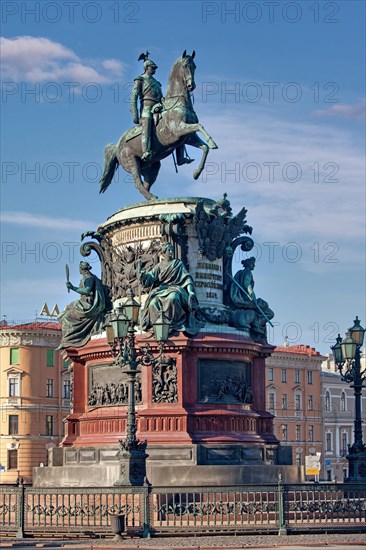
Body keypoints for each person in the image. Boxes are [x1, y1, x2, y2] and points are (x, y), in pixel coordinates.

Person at [130, 52, 193, 164]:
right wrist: (135, 114)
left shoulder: (157, 83)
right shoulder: (140, 79)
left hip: (158, 107)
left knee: (177, 123)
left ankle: (181, 157)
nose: (154, 70)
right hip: (146, 108)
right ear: (146, 68)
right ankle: (146, 151)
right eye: (152, 68)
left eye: (155, 68)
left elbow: (160, 97)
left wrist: (162, 103)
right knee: (147, 123)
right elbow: (134, 96)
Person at [140, 242, 203, 336]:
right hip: (161, 290)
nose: (171, 252)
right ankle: (157, 327)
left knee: (173, 298)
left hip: (176, 288)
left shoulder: (178, 264)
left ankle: (173, 325)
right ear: (164, 252)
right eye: (168, 250)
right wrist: (143, 275)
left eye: (172, 250)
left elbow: (187, 278)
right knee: (152, 303)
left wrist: (190, 292)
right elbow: (151, 276)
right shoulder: (159, 266)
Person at [58, 261, 106, 349]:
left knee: (66, 317)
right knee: (63, 314)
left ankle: (68, 340)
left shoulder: (88, 278)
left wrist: (72, 287)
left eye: (79, 268)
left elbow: (87, 291)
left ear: (82, 269)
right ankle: (68, 339)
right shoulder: (86, 278)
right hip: (83, 302)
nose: (79, 270)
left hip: (88, 304)